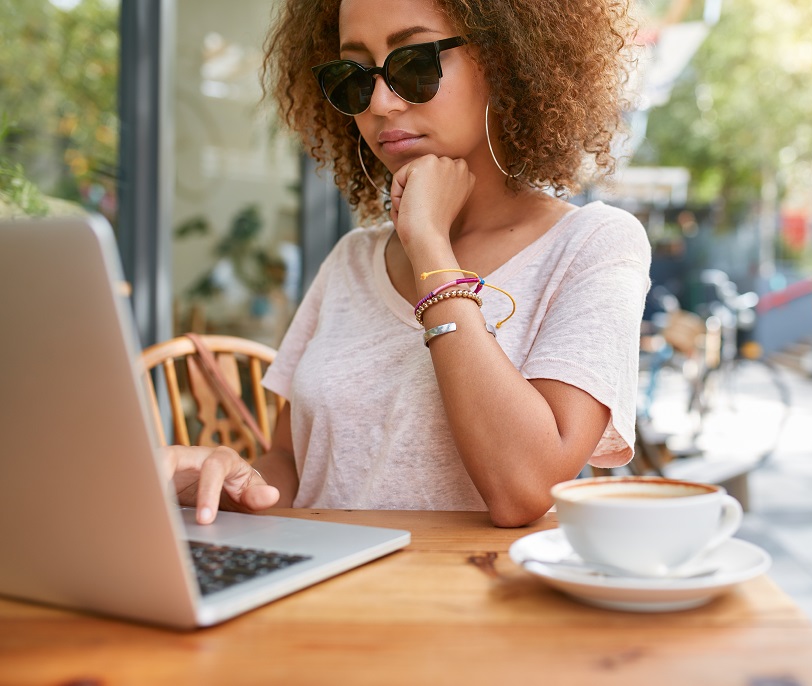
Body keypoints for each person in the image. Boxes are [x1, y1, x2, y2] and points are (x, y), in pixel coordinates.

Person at [165, 0, 651, 527]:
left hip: (473, 597)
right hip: (317, 597)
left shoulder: (593, 245)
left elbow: (525, 488)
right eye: (353, 76)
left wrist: (428, 246)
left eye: (414, 63)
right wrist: (234, 484)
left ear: (505, 61)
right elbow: (290, 460)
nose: (380, 102)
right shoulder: (352, 260)